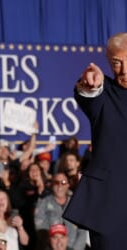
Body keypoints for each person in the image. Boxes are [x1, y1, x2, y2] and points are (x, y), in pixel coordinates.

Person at [62, 32, 127, 250]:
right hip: (109, 206)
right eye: (117, 63)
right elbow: (88, 96)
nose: (124, 71)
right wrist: (89, 86)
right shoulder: (104, 92)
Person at [34, 173, 86, 250]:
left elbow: (82, 230)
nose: (60, 185)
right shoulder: (43, 203)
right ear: (52, 185)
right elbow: (41, 229)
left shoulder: (76, 203)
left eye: (63, 182)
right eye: (56, 182)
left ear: (68, 185)